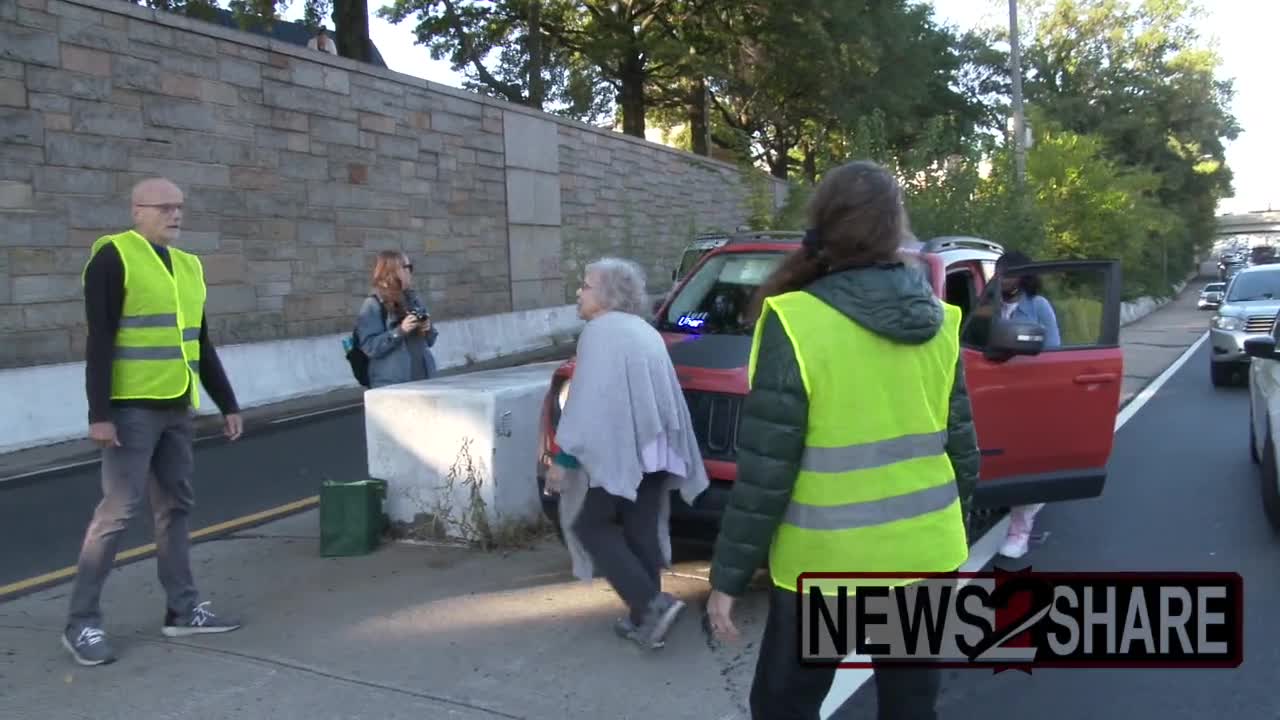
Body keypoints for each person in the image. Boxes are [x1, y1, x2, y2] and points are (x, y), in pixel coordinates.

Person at [703, 161, 981, 719]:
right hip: (924, 556)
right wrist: (952, 532)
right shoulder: (940, 321)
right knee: (910, 706)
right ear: (894, 228)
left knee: (785, 706)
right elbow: (963, 453)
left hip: (826, 565)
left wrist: (728, 578)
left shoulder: (795, 321)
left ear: (824, 224)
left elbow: (766, 470)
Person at [66, 177, 244, 667]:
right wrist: (98, 414)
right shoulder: (114, 256)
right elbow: (98, 339)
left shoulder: (189, 266)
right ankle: (81, 624)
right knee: (118, 512)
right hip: (129, 409)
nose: (175, 215)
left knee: (176, 506)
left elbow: (200, 343)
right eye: (164, 207)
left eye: (180, 207)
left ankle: (182, 610)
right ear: (137, 210)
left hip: (176, 406)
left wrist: (227, 402)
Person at [545, 257, 710, 650]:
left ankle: (651, 604)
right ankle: (646, 620)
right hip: (657, 448)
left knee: (591, 525)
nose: (579, 293)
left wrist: (563, 459)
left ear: (606, 294)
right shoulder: (642, 330)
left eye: (585, 285)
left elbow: (587, 404)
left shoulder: (601, 333)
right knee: (640, 530)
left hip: (628, 452)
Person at [992, 250, 1060, 559]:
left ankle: (1020, 530)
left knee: (1023, 461)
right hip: (991, 391)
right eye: (999, 273)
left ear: (1023, 277)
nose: (1003, 279)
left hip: (1027, 392)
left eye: (1009, 273)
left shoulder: (1038, 307)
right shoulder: (987, 306)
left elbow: (1053, 353)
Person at [355, 250, 439, 388]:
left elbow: (431, 340)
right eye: (407, 267)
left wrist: (427, 328)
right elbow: (370, 347)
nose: (410, 273)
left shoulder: (413, 299)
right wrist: (400, 331)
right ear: (393, 271)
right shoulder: (373, 304)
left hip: (425, 380)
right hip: (394, 385)